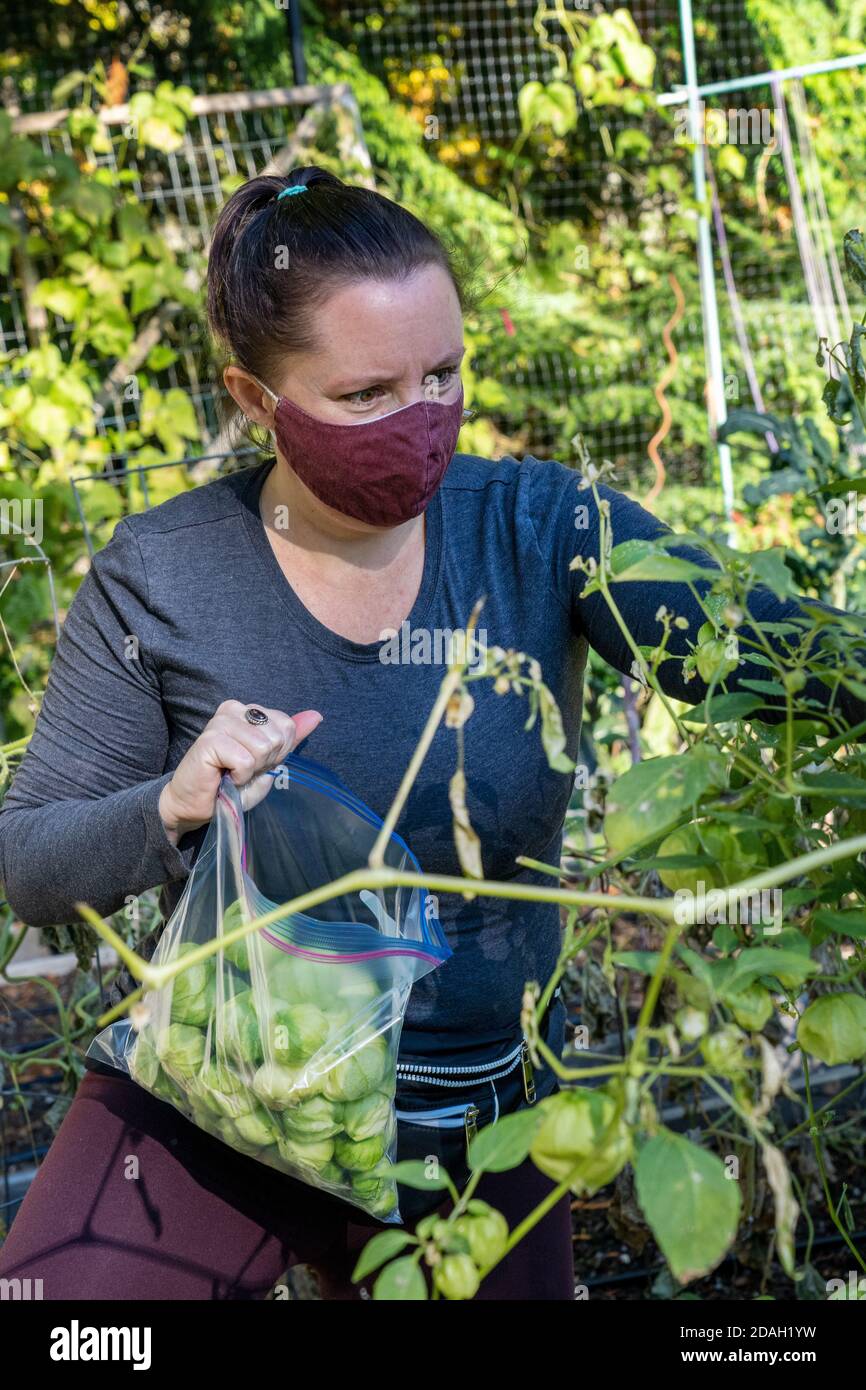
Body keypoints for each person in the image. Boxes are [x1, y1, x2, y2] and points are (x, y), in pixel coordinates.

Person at [0, 167, 862, 1302]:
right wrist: (170, 802)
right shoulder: (165, 575)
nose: (420, 419)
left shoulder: (541, 527)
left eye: (443, 375)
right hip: (231, 1093)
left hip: (476, 1125)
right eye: (365, 394)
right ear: (255, 398)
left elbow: (775, 656)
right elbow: (30, 862)